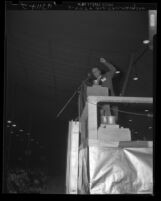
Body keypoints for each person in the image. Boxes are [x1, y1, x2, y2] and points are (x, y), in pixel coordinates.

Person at [91, 57, 118, 123]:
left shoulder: (107, 75)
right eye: (94, 72)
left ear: (99, 71)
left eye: (96, 70)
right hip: (102, 104)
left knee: (114, 120)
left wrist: (105, 62)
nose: (95, 72)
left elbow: (113, 70)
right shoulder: (95, 83)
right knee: (103, 121)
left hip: (111, 100)